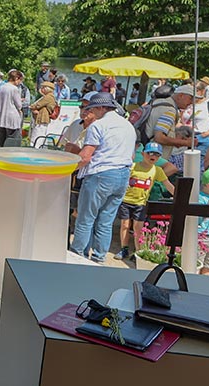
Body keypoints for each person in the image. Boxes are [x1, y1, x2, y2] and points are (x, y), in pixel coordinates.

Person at [69, 92, 135, 263]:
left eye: (92, 108)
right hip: (122, 174)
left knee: (85, 218)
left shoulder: (98, 126)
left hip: (100, 174)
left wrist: (67, 170)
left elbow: (85, 157)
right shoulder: (128, 125)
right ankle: (99, 257)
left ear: (100, 107)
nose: (90, 111)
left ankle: (78, 255)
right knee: (106, 221)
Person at [114, 143, 175, 260]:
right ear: (143, 154)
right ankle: (124, 249)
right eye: (150, 153)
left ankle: (138, 251)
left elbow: (168, 185)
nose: (153, 156)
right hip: (126, 201)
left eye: (157, 155)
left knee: (138, 227)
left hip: (141, 203)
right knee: (125, 225)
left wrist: (179, 196)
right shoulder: (133, 166)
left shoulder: (157, 170)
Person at [148, 84, 194, 176]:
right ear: (181, 95)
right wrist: (186, 143)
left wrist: (176, 139)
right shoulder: (169, 111)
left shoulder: (156, 103)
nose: (191, 102)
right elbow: (159, 137)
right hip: (154, 154)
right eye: (190, 98)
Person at [0, 70, 24, 148]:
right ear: (16, 78)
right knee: (12, 139)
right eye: (20, 80)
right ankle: (8, 155)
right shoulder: (14, 89)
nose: (20, 82)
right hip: (11, 117)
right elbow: (19, 105)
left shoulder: (1, 87)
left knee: (0, 138)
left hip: (1, 115)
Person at [29, 81, 58, 146]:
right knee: (38, 134)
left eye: (43, 87)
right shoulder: (48, 96)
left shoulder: (48, 97)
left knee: (38, 135)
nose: (41, 89)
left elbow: (37, 105)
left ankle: (36, 148)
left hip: (42, 118)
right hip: (41, 118)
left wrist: (31, 107)